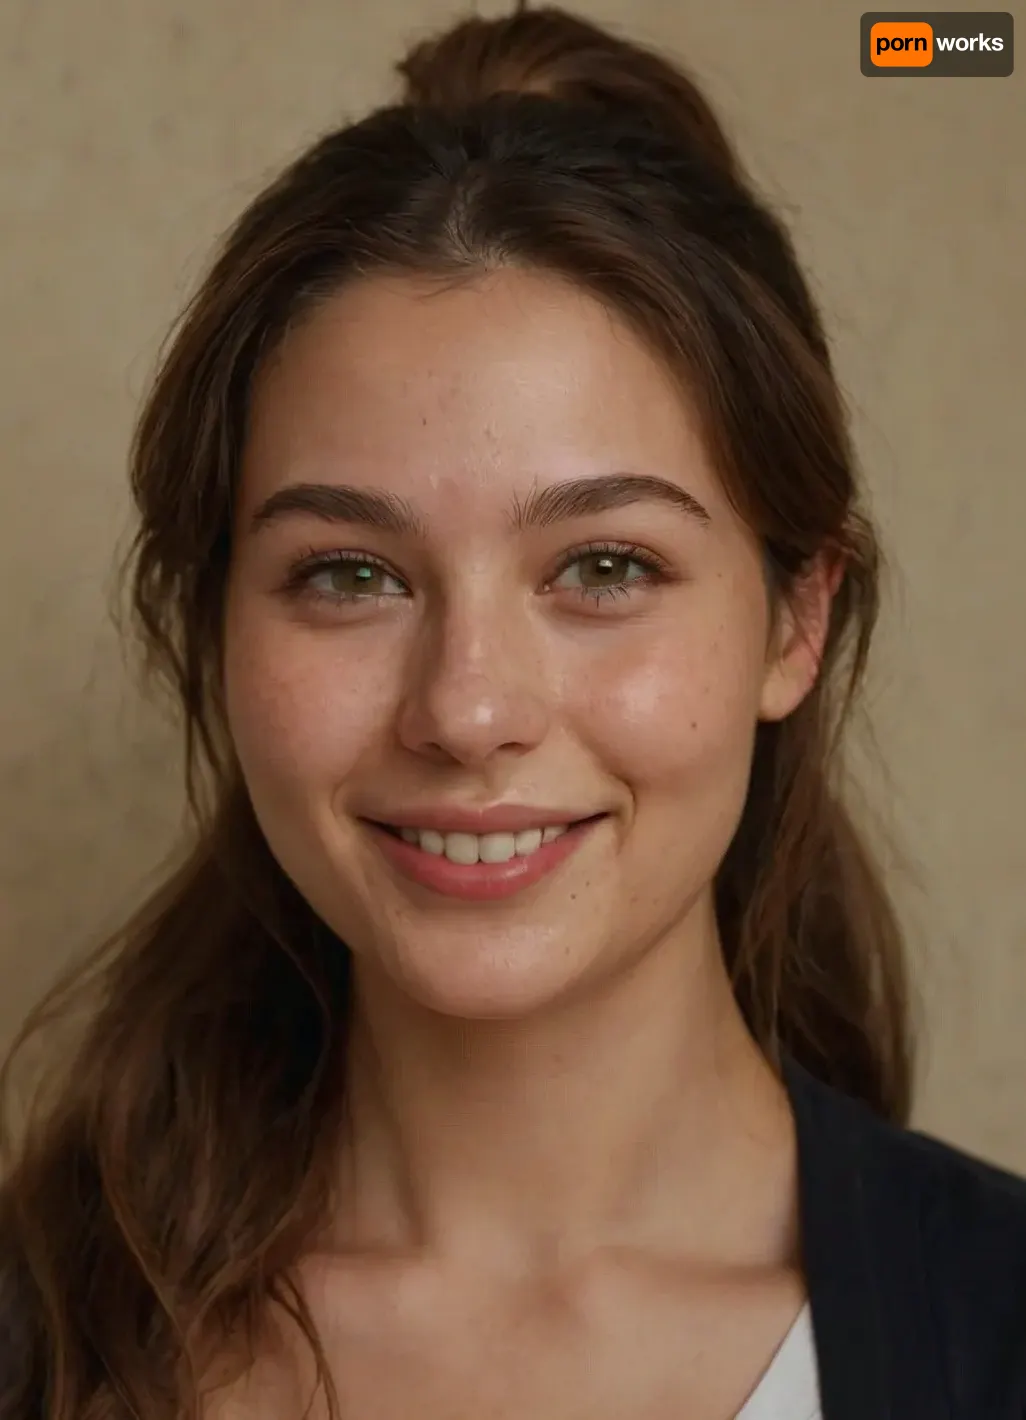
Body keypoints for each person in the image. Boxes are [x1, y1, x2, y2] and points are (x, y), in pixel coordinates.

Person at [1, 5, 1025, 1418]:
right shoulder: (38, 1333)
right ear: (213, 624)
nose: (467, 708)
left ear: (797, 621)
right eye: (349, 573)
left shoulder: (996, 1327)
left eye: (603, 567)